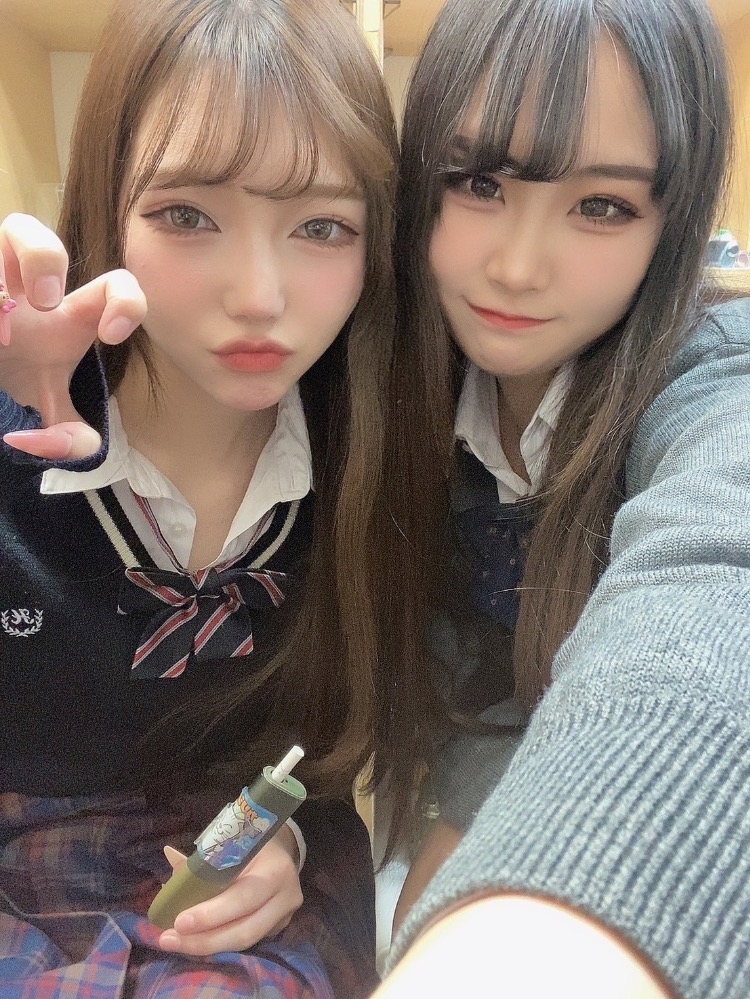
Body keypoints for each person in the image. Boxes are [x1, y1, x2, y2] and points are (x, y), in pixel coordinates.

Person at [0, 0, 402, 996]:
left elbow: (324, 769)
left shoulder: (375, 464)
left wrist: (289, 847)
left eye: (321, 226)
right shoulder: (20, 424)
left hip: (244, 873)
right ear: (105, 208)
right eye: (187, 215)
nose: (259, 294)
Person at [375, 0, 750, 996]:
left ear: (674, 223)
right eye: (479, 182)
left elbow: (719, 583)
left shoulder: (711, 379)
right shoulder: (384, 372)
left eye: (603, 206)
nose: (516, 267)